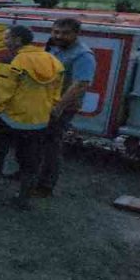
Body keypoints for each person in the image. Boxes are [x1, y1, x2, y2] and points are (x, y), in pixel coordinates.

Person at [0, 25, 64, 210]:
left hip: (8, 120)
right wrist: (48, 110)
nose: (4, 41)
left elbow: (2, 92)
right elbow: (56, 92)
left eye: (7, 37)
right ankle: (23, 199)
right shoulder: (53, 61)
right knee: (30, 163)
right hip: (38, 121)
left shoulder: (11, 60)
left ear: (17, 40)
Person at [38, 17, 95, 197]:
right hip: (45, 103)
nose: (59, 36)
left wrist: (59, 107)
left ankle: (45, 186)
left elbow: (80, 84)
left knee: (51, 146)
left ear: (76, 34)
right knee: (36, 141)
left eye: (65, 33)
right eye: (56, 32)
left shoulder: (83, 55)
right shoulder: (55, 46)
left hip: (61, 108)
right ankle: (29, 174)